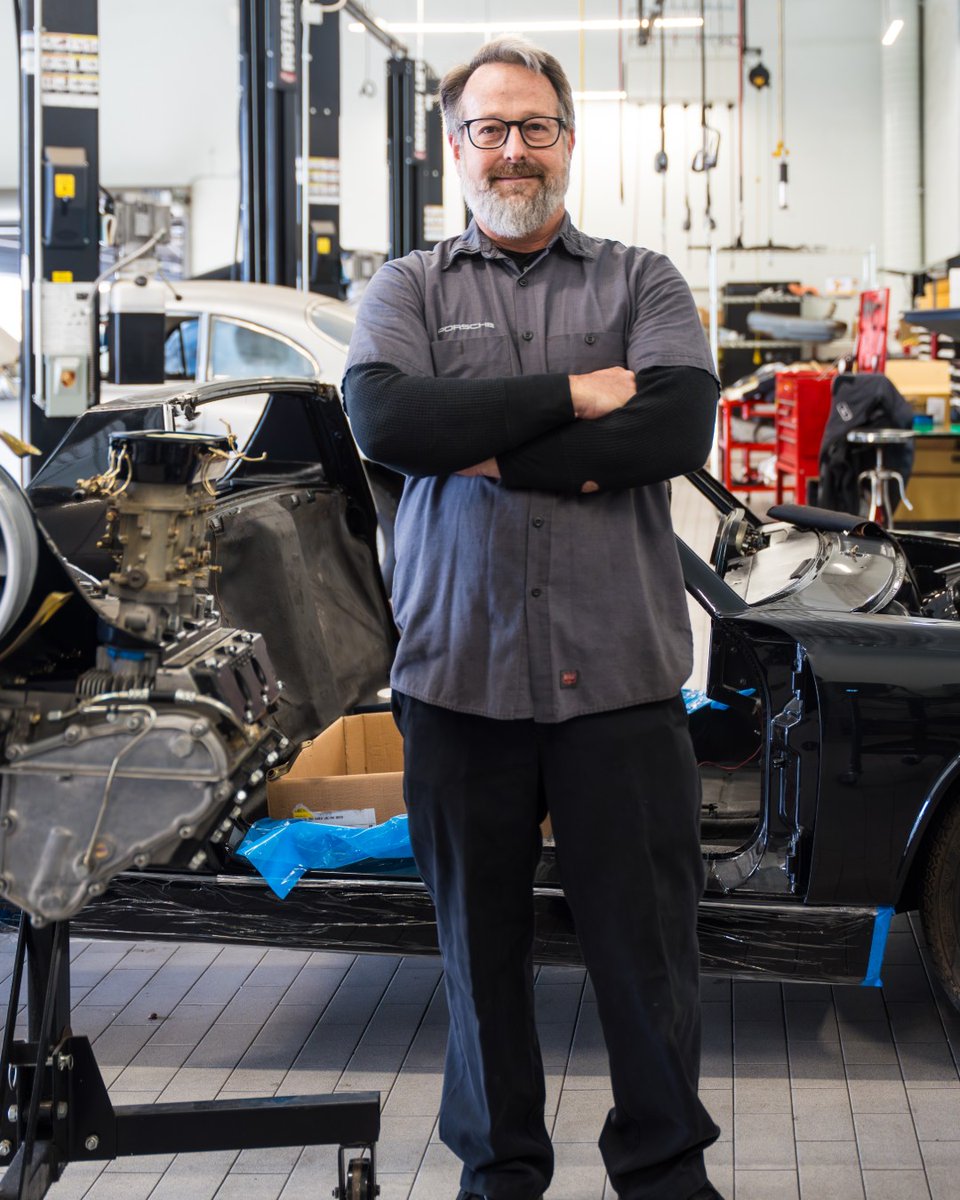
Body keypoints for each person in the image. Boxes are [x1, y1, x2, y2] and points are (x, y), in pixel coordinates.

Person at [343, 37, 722, 1200]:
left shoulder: (642, 279)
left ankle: (663, 1174)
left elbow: (670, 432)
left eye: (535, 127)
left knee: (648, 956)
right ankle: (500, 1172)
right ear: (453, 148)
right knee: (478, 957)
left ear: (568, 138)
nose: (514, 151)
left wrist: (485, 445)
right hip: (459, 681)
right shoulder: (407, 287)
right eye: (490, 129)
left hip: (620, 681)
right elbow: (389, 422)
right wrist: (569, 401)